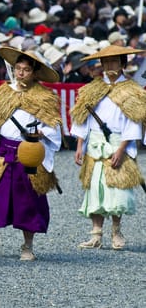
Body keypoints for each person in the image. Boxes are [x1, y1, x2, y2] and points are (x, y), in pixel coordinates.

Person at [0, 46, 62, 261]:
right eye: (18, 68)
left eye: (26, 70)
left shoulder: (45, 97)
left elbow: (54, 127)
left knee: (30, 200)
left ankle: (27, 245)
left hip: (31, 152)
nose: (21, 73)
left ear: (34, 72)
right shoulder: (4, 92)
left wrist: (41, 132)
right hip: (4, 152)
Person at [70, 45, 146, 251]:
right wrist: (79, 145)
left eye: (114, 61)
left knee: (116, 188)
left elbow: (134, 122)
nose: (110, 66)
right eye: (106, 62)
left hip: (118, 143)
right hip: (94, 143)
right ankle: (96, 233)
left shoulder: (133, 91)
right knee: (94, 187)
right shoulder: (91, 89)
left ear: (123, 63)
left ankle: (116, 230)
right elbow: (81, 119)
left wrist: (122, 149)